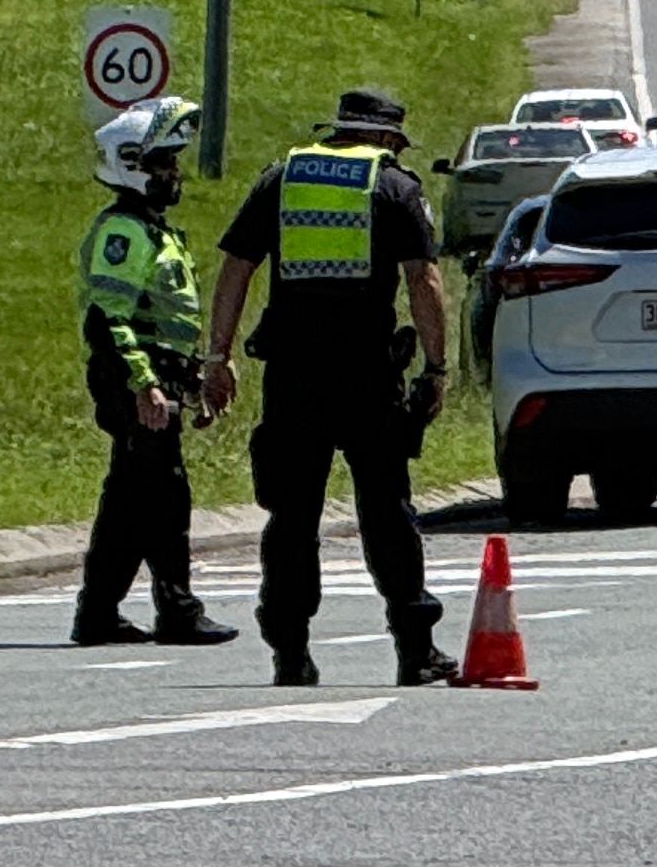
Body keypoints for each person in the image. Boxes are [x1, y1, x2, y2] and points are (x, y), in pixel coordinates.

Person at [201, 88, 457, 688]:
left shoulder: (282, 180)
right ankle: (414, 650)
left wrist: (218, 356)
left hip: (293, 375)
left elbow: (237, 266)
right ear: (386, 138)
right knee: (386, 511)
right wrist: (436, 368)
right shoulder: (393, 186)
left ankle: (290, 652)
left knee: (292, 518)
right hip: (366, 374)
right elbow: (423, 280)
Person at [71, 98, 238, 651]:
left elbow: (165, 325)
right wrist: (143, 384)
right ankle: (176, 610)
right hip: (131, 381)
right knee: (161, 494)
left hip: (154, 378)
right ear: (132, 165)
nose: (174, 174)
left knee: (132, 496)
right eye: (164, 163)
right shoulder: (123, 233)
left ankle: (100, 612)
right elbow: (108, 319)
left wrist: (192, 380)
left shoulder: (153, 230)